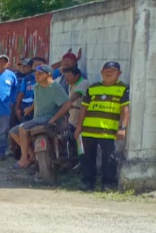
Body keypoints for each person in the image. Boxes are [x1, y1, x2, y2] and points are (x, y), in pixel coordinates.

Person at [76, 61, 130, 191]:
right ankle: (88, 183)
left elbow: (125, 110)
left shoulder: (123, 89)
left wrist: (122, 128)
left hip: (108, 132)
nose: (109, 72)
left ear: (119, 73)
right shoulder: (93, 88)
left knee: (109, 159)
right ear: (101, 72)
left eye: (112, 70)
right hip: (88, 131)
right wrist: (79, 127)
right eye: (106, 69)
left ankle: (108, 184)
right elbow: (83, 109)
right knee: (87, 158)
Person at [9, 64, 70, 168]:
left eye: (40, 74)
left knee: (22, 128)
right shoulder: (37, 87)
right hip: (38, 118)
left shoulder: (56, 88)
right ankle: (32, 157)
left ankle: (23, 159)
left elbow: (67, 104)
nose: (36, 76)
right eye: (36, 74)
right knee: (13, 132)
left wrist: (55, 118)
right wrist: (30, 109)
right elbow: (37, 100)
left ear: (49, 75)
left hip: (49, 117)